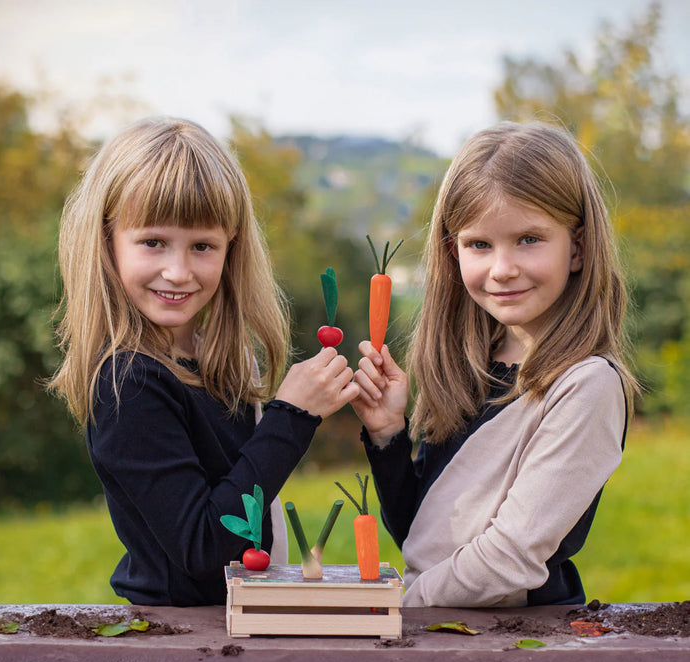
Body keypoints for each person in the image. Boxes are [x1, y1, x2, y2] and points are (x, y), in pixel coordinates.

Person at [49, 117, 359, 606]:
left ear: (230, 246)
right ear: (107, 241)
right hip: (181, 644)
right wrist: (292, 417)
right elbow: (203, 546)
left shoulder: (216, 358)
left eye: (202, 246)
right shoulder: (129, 383)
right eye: (153, 242)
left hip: (233, 623)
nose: (178, 271)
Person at [352, 121, 639, 608]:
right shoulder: (471, 370)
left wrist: (396, 607)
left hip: (514, 649)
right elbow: (423, 542)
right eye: (479, 245)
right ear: (453, 251)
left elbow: (510, 558)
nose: (502, 268)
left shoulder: (585, 385)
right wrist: (388, 436)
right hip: (450, 633)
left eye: (529, 239)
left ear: (579, 248)